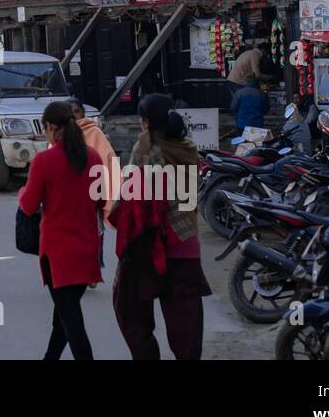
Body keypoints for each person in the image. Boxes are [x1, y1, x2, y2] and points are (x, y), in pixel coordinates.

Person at [110, 92, 211, 359]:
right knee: (186, 326)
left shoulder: (144, 149)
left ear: (144, 122)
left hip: (150, 247)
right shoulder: (188, 146)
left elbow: (129, 199)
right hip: (186, 245)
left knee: (129, 313)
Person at [18, 100, 104, 360]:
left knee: (72, 322)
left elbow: (29, 205)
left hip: (57, 254)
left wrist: (23, 191)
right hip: (87, 248)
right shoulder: (93, 157)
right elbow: (100, 200)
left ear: (51, 127)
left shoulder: (44, 161)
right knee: (64, 317)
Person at [66, 98, 118, 278]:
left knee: (95, 232)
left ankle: (92, 268)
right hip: (68, 196)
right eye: (70, 113)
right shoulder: (60, 135)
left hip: (92, 193)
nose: (74, 117)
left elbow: (108, 160)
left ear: (83, 113)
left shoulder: (94, 133)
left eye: (77, 112)